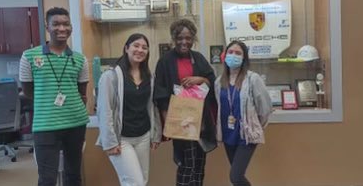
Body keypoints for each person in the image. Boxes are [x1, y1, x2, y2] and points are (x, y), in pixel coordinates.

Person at [19, 7, 89, 186]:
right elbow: (28, 91)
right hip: (45, 125)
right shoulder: (29, 56)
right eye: (56, 24)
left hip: (76, 123)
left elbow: (82, 93)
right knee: (47, 179)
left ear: (71, 27)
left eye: (66, 24)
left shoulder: (80, 59)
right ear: (47, 26)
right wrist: (48, 102)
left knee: (73, 175)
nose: (62, 28)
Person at [153, 19, 217, 186]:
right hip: (179, 122)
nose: (184, 42)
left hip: (200, 122)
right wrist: (169, 123)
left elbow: (212, 81)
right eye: (180, 38)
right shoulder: (165, 61)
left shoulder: (199, 58)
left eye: (188, 38)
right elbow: (160, 94)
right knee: (186, 165)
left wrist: (200, 78)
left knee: (199, 165)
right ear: (174, 38)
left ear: (193, 39)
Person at [96, 33, 162, 186]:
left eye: (144, 47)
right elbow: (104, 111)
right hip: (121, 139)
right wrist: (110, 142)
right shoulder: (111, 76)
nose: (140, 50)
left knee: (141, 181)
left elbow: (152, 107)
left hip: (143, 136)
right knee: (134, 182)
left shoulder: (149, 77)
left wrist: (155, 134)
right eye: (136, 46)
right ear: (126, 48)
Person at [214, 40, 272, 186]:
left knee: (236, 177)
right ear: (224, 55)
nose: (233, 55)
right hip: (228, 134)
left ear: (244, 58)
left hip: (246, 135)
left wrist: (255, 125)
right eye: (230, 52)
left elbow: (264, 109)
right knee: (237, 177)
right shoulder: (219, 81)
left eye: (238, 53)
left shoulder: (253, 79)